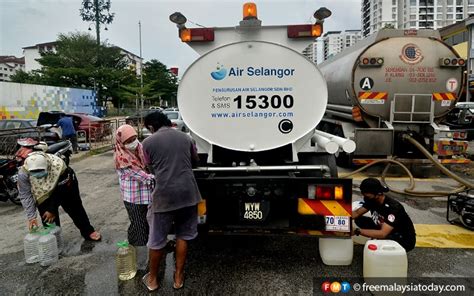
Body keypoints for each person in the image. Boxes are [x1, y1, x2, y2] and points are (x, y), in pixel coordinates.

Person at [141, 111, 201, 292]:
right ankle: (178, 277)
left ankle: (152, 280)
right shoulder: (186, 138)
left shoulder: (147, 143)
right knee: (183, 235)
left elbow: (149, 167)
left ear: (151, 127)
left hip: (164, 196)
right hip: (188, 194)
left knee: (157, 239)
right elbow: (195, 162)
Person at [18, 152, 101, 241]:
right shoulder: (23, 173)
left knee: (75, 207)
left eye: (40, 171)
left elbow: (63, 192)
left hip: (66, 187)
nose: (38, 174)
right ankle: (53, 240)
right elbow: (25, 195)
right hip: (41, 191)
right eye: (34, 172)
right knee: (47, 217)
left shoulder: (59, 167)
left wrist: (52, 209)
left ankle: (88, 231)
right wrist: (32, 217)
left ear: (47, 166)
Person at [114, 124, 154, 247]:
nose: (133, 143)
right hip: (134, 198)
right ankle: (138, 252)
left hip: (146, 196)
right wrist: (162, 177)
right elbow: (143, 177)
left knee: (146, 223)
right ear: (121, 142)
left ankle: (145, 247)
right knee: (138, 225)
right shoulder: (122, 158)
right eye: (128, 141)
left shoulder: (140, 148)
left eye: (134, 139)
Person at [352, 178, 416, 252]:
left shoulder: (393, 208)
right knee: (360, 220)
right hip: (386, 227)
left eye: (368, 196)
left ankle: (383, 245)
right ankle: (376, 237)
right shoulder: (371, 199)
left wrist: (357, 231)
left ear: (378, 194)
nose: (365, 198)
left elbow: (383, 233)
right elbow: (357, 213)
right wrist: (340, 220)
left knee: (381, 235)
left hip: (403, 239)